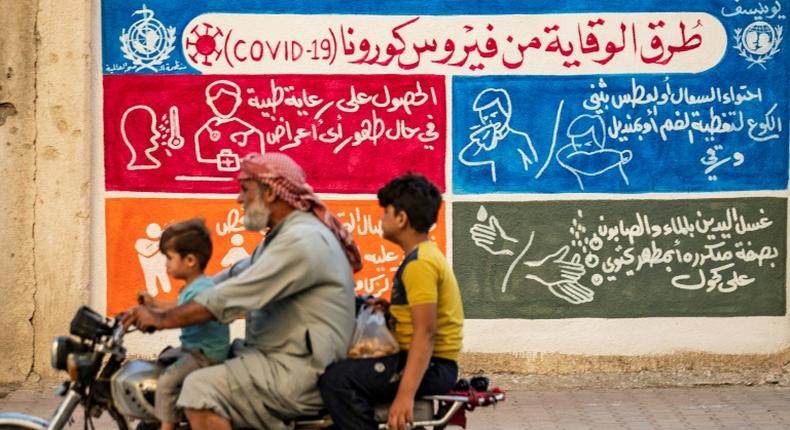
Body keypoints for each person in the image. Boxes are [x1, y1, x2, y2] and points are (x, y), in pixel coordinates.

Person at [122, 152, 362, 430]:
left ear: (271, 192)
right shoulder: (280, 237)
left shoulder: (301, 241)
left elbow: (232, 296)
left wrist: (164, 320)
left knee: (200, 390)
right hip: (271, 358)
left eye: (244, 189)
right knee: (174, 361)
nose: (239, 199)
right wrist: (161, 307)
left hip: (297, 371)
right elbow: (227, 280)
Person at [319, 173, 464, 430]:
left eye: (386, 212)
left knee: (336, 380)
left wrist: (404, 397)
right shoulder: (423, 257)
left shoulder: (420, 264)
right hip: (430, 363)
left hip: (431, 366)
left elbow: (426, 333)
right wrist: (392, 311)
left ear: (401, 218)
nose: (381, 219)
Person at [136, 219, 229, 430]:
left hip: (204, 354)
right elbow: (177, 306)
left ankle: (167, 426)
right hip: (193, 349)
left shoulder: (202, 288)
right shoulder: (193, 286)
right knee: (162, 362)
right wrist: (152, 303)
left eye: (169, 258)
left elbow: (179, 313)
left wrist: (156, 316)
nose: (166, 265)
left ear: (189, 260)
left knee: (167, 382)